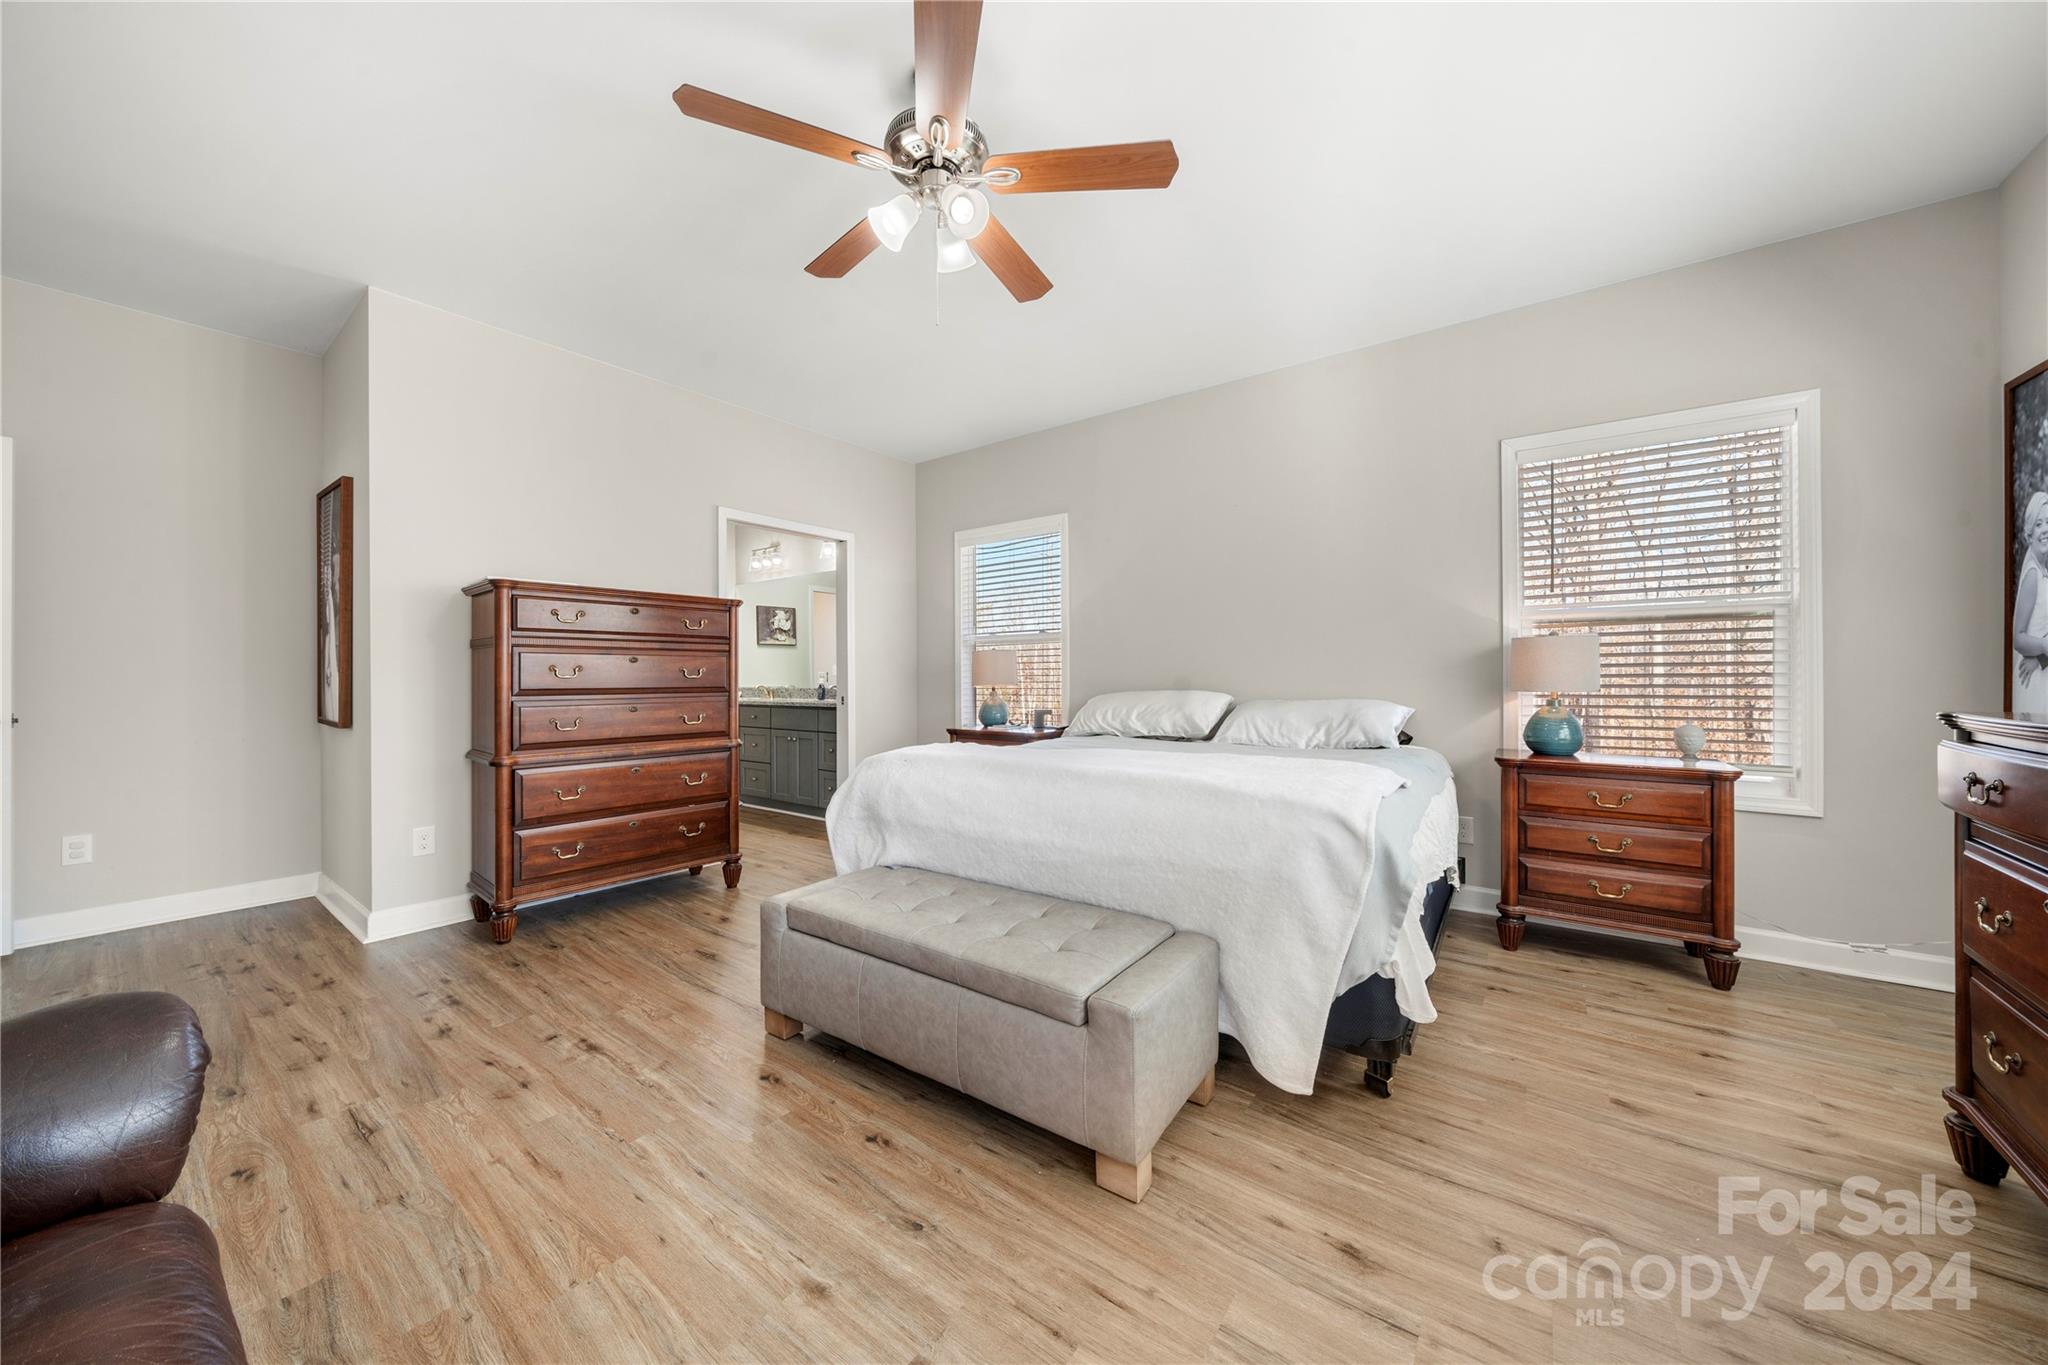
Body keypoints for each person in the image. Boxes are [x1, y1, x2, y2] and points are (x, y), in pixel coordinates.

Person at [2014, 491, 2048, 713]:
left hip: (2040, 670)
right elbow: (2018, 638)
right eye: (2038, 524)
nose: (2045, 529)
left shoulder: (2044, 572)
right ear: (2029, 533)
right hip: (2034, 683)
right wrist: (2045, 647)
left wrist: (2040, 659)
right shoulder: (2032, 576)